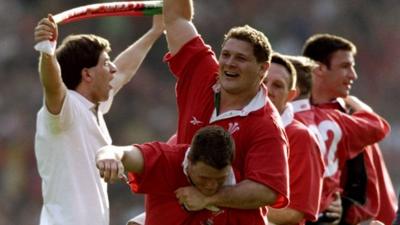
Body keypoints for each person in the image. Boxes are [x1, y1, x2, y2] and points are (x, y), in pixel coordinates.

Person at [161, 0, 290, 223]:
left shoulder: (267, 124)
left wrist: (209, 197)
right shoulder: (203, 73)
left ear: (263, 68)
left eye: (241, 58)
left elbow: (267, 190)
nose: (229, 63)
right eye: (226, 55)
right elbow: (176, 18)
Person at [33, 14, 164, 225]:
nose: (113, 68)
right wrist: (47, 51)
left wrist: (156, 30)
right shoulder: (67, 109)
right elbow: (52, 85)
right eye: (106, 63)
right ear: (87, 75)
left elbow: (124, 71)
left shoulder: (94, 108)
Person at [302, 33, 398, 225]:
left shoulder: (351, 120)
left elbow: (368, 191)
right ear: (319, 68)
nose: (353, 75)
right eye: (345, 66)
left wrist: (344, 209)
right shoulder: (292, 115)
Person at [96, 125, 236, 225]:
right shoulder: (166, 160)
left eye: (220, 179)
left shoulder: (244, 183)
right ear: (189, 161)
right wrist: (108, 157)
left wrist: (208, 199)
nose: (211, 186)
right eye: (204, 178)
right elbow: (120, 153)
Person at [264, 53, 325, 225]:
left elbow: (293, 214)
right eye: (263, 82)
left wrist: (229, 201)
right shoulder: (234, 124)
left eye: (277, 85)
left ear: (291, 95)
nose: (267, 90)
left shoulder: (300, 138)